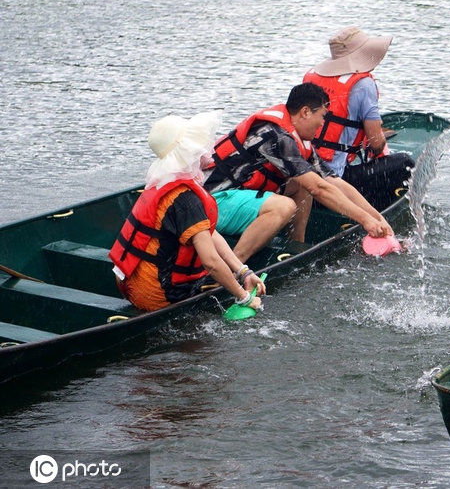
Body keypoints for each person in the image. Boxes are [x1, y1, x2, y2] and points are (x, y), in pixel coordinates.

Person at [203, 82, 393, 263]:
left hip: (235, 197)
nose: (321, 125)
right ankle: (235, 267)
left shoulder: (299, 139)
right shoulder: (276, 136)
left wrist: (377, 217)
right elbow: (320, 189)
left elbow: (333, 182)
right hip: (211, 205)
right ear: (305, 112)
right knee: (284, 206)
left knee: (302, 184)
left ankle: (296, 248)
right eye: (321, 117)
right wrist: (364, 221)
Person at [108, 112, 267, 312]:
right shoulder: (186, 200)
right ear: (187, 151)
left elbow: (209, 233)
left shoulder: (163, 181)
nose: (205, 149)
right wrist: (243, 297)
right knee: (218, 280)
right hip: (156, 294)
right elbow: (211, 261)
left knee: (223, 275)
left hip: (130, 283)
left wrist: (243, 271)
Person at [303, 27, 414, 211]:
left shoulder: (312, 77)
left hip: (304, 173)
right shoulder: (364, 84)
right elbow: (376, 144)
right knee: (404, 163)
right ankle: (377, 212)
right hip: (335, 181)